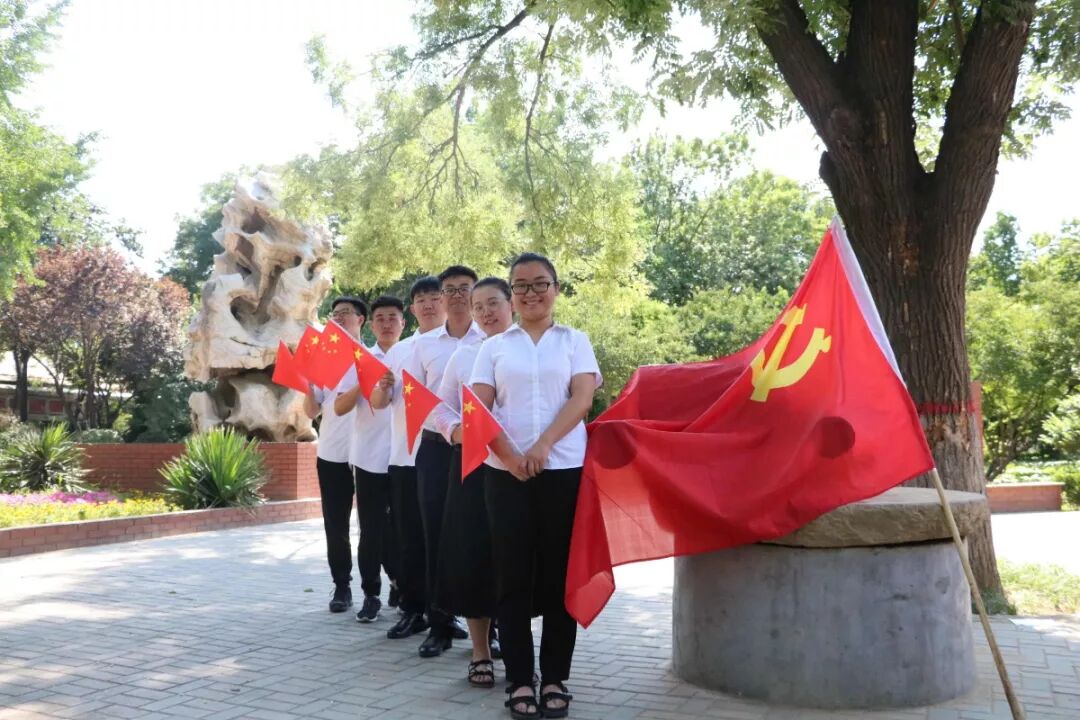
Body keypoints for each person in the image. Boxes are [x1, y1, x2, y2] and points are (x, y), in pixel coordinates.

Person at [471, 253, 601, 720]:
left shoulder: (574, 341)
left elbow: (582, 398)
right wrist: (510, 456)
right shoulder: (493, 348)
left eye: (539, 283)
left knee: (559, 577)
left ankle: (556, 679)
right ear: (512, 294)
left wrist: (544, 444)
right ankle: (520, 680)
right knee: (511, 578)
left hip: (563, 469)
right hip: (504, 475)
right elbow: (478, 409)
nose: (530, 293)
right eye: (521, 286)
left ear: (556, 289)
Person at [432, 277, 513, 688]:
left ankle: (517, 649)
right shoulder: (465, 355)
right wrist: (455, 431)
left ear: (511, 302)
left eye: (493, 303)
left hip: (520, 468)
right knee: (473, 555)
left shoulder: (534, 349)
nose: (485, 313)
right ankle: (481, 650)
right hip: (473, 466)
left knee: (515, 558)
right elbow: (439, 407)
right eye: (478, 306)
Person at [406, 265, 486, 658]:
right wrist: (451, 429)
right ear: (440, 296)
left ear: (476, 293)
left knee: (483, 536)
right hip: (437, 449)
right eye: (449, 289)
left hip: (485, 451)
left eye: (464, 288)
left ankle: (489, 629)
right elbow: (416, 399)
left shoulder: (492, 338)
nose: (456, 295)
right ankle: (439, 624)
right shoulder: (423, 345)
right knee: (435, 535)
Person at [369, 276, 444, 641]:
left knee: (444, 541)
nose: (428, 304)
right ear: (412, 308)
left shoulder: (464, 344)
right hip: (404, 457)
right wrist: (382, 388)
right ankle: (414, 610)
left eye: (434, 297)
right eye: (421, 299)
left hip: (445, 457)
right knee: (410, 541)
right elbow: (380, 402)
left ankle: (446, 614)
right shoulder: (400, 351)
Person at [334, 295, 404, 624]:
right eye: (380, 318)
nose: (387, 324)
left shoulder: (413, 354)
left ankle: (407, 590)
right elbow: (339, 407)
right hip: (369, 458)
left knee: (406, 530)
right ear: (371, 324)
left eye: (393, 317)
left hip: (406, 457)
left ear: (403, 322)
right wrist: (364, 384)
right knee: (371, 530)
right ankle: (371, 594)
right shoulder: (358, 360)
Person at [302, 296, 366, 613]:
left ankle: (390, 585)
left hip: (371, 454)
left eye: (346, 313)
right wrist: (304, 382)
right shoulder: (323, 361)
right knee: (336, 524)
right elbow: (311, 410)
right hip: (332, 452)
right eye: (335, 313)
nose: (339, 319)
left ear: (360, 320)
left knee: (378, 524)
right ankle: (342, 586)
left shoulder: (374, 357)